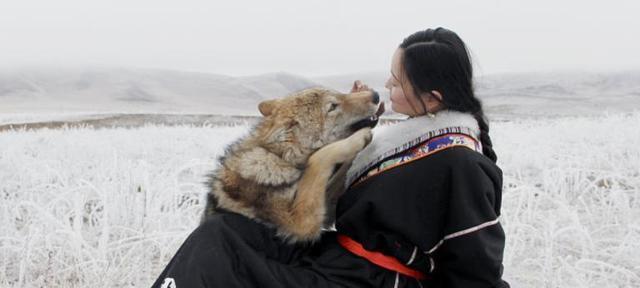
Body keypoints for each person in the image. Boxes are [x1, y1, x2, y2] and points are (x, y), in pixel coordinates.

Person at [152, 27, 509, 288]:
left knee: (218, 260)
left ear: (431, 98)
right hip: (340, 259)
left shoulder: (461, 162)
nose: (386, 85)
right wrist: (353, 122)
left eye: (397, 81)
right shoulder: (405, 140)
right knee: (222, 231)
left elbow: (477, 267)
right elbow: (333, 203)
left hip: (368, 281)